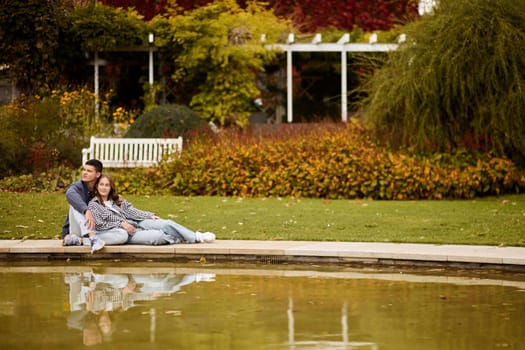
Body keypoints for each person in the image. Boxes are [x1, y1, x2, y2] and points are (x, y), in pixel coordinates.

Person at [88, 173, 216, 245]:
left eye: (107, 185)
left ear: (111, 187)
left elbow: (132, 211)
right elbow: (100, 224)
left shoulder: (117, 200)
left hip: (136, 221)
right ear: (97, 187)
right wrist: (122, 224)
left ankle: (196, 237)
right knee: (158, 236)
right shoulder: (94, 204)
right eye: (101, 185)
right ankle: (180, 238)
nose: (104, 188)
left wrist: (149, 215)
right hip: (127, 233)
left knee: (166, 223)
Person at [61, 159, 106, 253]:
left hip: (96, 228)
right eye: (84, 170)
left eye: (89, 171)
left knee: (120, 235)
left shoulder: (102, 187)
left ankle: (85, 240)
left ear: (97, 174)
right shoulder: (78, 186)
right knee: (75, 204)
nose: (84, 173)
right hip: (76, 230)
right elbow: (70, 194)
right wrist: (86, 210)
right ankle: (92, 239)